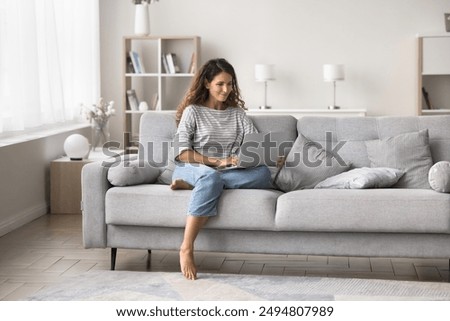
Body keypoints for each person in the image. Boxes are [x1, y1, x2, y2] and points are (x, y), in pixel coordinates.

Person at [170, 58, 273, 280]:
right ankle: (186, 248)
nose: (226, 90)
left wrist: (266, 155)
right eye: (220, 84)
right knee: (208, 176)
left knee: (264, 174)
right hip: (192, 166)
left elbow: (254, 144)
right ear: (207, 83)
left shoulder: (236, 114)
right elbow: (181, 153)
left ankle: (199, 185)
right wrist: (219, 161)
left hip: (225, 172)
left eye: (230, 84)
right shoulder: (193, 112)